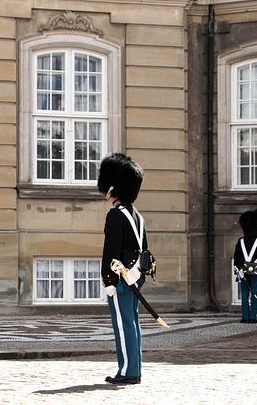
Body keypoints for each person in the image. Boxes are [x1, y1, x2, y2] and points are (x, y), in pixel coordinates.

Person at [97, 153, 146, 385]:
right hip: (135, 277)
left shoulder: (116, 214)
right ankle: (133, 368)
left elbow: (111, 251)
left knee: (123, 322)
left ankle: (127, 370)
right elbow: (142, 250)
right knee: (131, 321)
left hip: (120, 279)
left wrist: (108, 280)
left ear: (113, 187)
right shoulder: (138, 216)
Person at [233, 211, 257, 323]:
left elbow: (236, 257)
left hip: (243, 270)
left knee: (245, 295)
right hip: (256, 270)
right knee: (255, 294)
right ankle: (253, 317)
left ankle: (245, 317)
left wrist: (238, 268)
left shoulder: (240, 241)